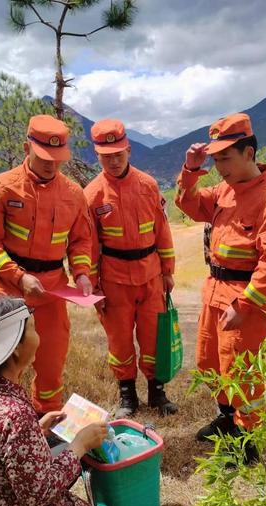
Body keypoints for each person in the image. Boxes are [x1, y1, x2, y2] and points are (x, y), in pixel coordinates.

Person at [175, 113, 266, 464]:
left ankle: (247, 441)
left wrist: (245, 304)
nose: (219, 166)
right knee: (210, 363)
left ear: (249, 153)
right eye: (215, 159)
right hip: (214, 292)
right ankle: (227, 421)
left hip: (244, 302)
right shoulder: (225, 190)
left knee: (241, 373)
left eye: (225, 157)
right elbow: (188, 204)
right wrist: (191, 169)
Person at [0, 114, 95, 415]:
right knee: (2, 366)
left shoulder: (73, 194)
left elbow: (80, 241)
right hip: (7, 292)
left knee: (51, 363)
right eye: (44, 158)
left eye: (57, 158)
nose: (51, 164)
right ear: (27, 148)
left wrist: (81, 274)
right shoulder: (2, 186)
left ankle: (47, 422)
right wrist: (18, 276)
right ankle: (1, 420)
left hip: (52, 292)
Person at [0, 297, 107, 506]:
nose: (38, 335)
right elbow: (37, 496)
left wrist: (36, 431)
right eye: (33, 328)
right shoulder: (13, 414)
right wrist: (80, 445)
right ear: (15, 349)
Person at [84, 118, 178, 418]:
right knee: (120, 340)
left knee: (153, 337)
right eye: (106, 156)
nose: (113, 161)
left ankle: (157, 393)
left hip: (150, 276)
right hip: (114, 280)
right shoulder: (93, 194)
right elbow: (88, 244)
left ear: (128, 150)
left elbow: (162, 231)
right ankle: (127, 396)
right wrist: (94, 283)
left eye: (118, 154)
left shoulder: (148, 185)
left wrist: (168, 270)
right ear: (97, 155)